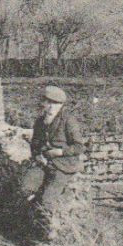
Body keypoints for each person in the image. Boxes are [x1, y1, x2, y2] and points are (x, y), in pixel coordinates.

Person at [21, 85, 84, 237]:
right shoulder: (40, 122)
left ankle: (50, 231)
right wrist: (38, 156)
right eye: (47, 103)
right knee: (25, 188)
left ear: (60, 105)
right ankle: (35, 221)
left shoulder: (68, 121)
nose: (49, 107)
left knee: (48, 200)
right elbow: (35, 145)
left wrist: (61, 152)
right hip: (44, 163)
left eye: (53, 104)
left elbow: (79, 147)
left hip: (63, 166)